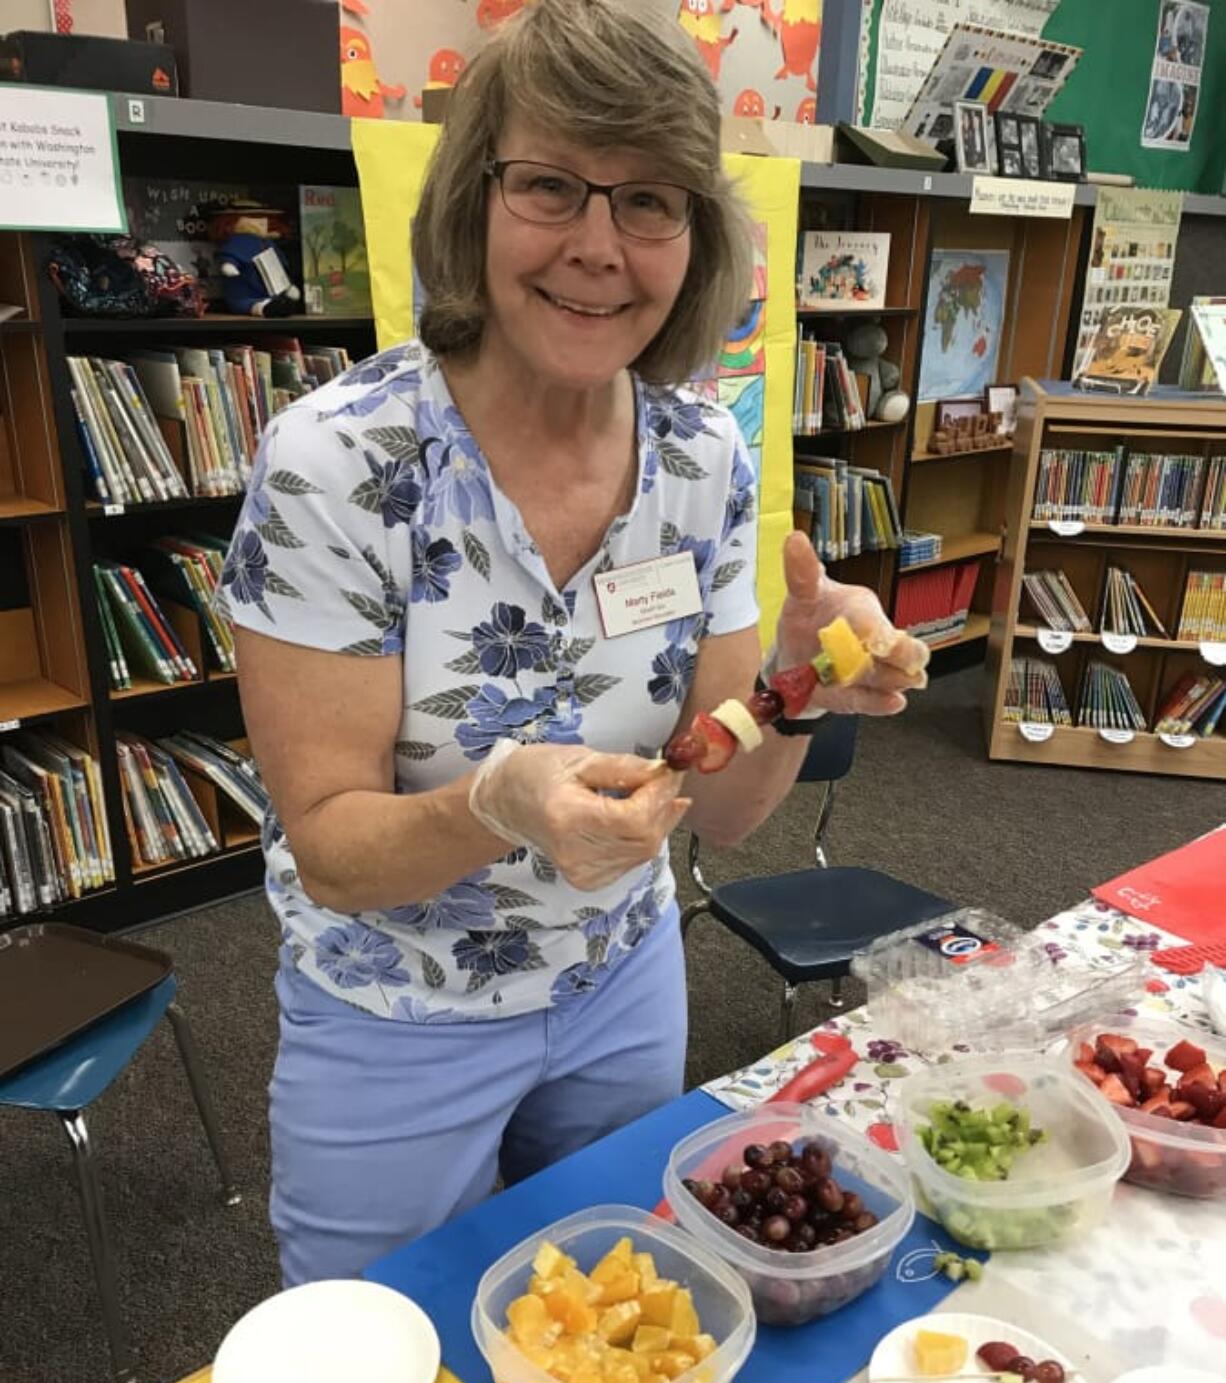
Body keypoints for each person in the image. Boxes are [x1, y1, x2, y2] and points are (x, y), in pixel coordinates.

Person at [220, 0, 929, 1287]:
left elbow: (723, 811)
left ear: (694, 235)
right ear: (472, 203)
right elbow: (329, 850)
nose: (599, 249)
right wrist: (497, 802)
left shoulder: (698, 452)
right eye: (550, 186)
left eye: (650, 201)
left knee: (605, 1311)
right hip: (398, 1008)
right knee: (386, 1354)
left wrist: (800, 680)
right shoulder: (339, 462)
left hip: (617, 981)